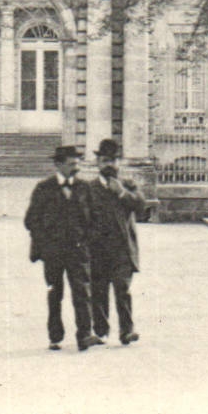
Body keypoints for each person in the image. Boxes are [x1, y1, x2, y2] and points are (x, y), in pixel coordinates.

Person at [24, 145, 99, 351]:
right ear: (58, 165)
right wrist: (46, 243)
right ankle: (55, 336)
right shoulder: (44, 188)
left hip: (78, 251)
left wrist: (86, 240)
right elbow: (31, 220)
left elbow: (95, 219)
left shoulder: (85, 188)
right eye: (71, 164)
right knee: (55, 293)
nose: (76, 168)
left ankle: (85, 335)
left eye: (77, 163)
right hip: (53, 253)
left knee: (82, 292)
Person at [86, 138, 146, 346]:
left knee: (123, 289)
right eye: (104, 161)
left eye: (112, 160)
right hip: (98, 249)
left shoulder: (128, 185)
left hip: (122, 249)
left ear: (118, 162)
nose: (109, 165)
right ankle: (101, 331)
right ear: (98, 163)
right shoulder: (90, 188)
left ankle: (126, 331)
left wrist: (121, 192)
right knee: (98, 291)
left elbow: (141, 207)